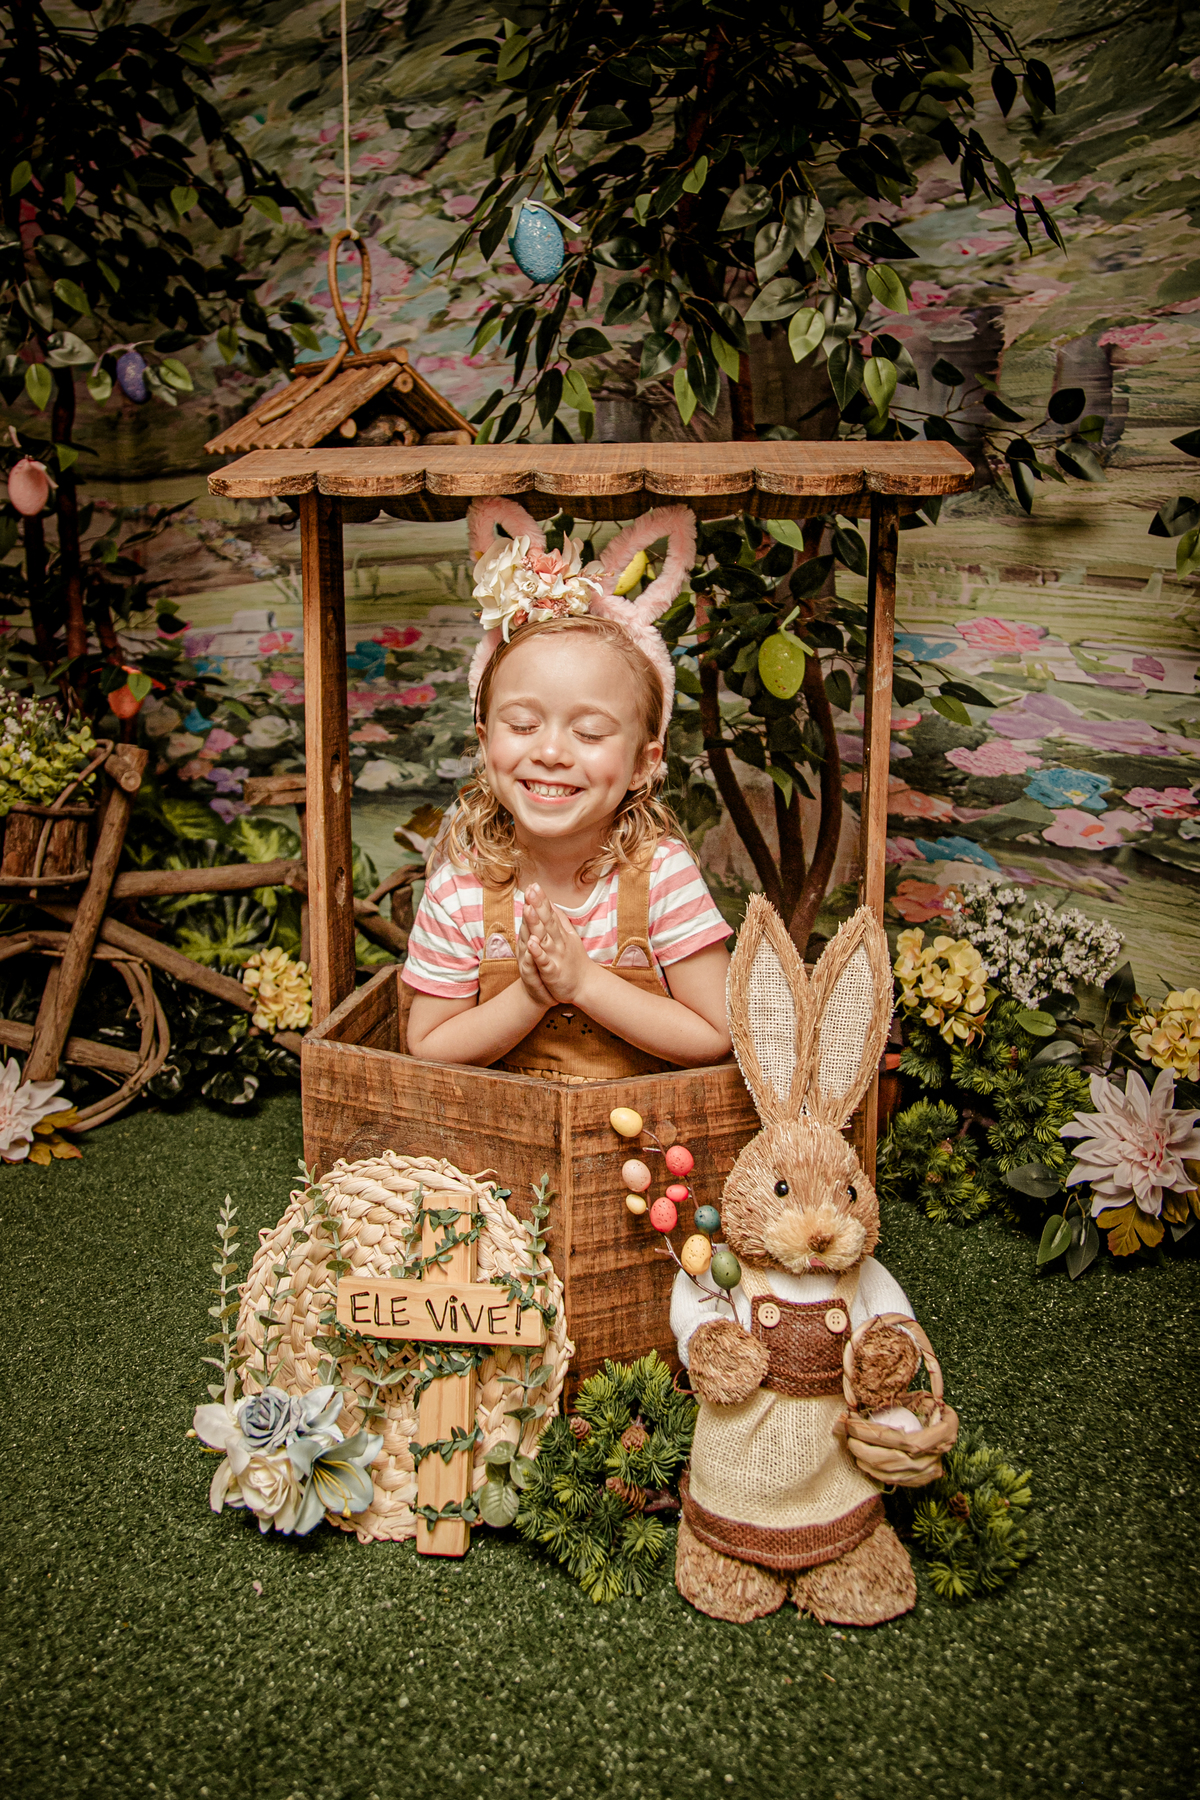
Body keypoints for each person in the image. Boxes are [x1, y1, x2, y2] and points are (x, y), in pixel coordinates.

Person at [402, 504, 734, 1079]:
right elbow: (429, 1045)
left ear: (642, 763)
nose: (552, 752)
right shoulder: (460, 885)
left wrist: (582, 981)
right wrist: (532, 994)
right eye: (524, 725)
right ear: (485, 743)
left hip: (641, 1146)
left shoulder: (662, 875)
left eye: (589, 732)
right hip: (503, 1145)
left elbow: (714, 1036)